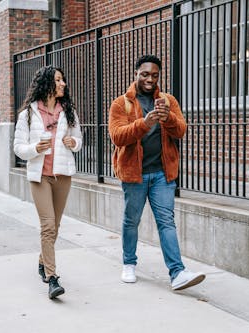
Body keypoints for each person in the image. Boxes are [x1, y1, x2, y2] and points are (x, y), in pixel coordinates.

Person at [108, 54, 205, 291]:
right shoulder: (122, 103)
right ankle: (129, 263)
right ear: (136, 74)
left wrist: (167, 117)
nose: (150, 79)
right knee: (132, 221)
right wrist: (145, 123)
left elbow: (181, 130)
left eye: (154, 75)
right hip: (135, 174)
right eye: (145, 74)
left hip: (162, 174)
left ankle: (177, 272)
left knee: (166, 222)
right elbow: (117, 136)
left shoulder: (168, 101)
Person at [14, 65, 82, 299]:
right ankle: (52, 278)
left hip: (62, 175)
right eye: (58, 80)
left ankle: (43, 260)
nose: (63, 84)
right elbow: (18, 148)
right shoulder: (28, 115)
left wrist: (73, 143)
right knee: (48, 225)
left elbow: (79, 139)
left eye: (63, 80)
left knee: (56, 225)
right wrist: (35, 148)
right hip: (39, 176)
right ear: (46, 84)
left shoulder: (68, 111)